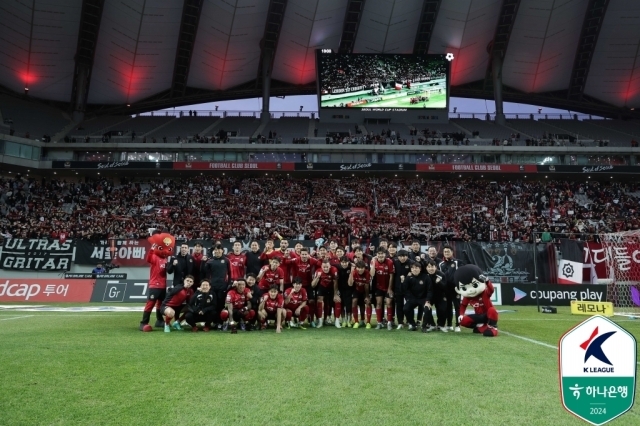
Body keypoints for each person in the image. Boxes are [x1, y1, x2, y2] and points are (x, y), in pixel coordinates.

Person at [201, 244, 231, 329]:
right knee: (213, 304)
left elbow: (230, 273)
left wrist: (228, 284)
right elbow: (204, 272)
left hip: (222, 287)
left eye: (219, 250)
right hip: (212, 287)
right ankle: (213, 322)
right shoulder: (210, 261)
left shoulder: (226, 260)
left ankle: (220, 322)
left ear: (222, 251)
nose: (217, 251)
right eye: (215, 250)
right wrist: (203, 262)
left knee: (221, 305)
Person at [439, 245, 464, 332]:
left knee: (457, 307)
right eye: (445, 252)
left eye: (448, 251)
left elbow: (462, 274)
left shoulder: (458, 262)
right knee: (447, 307)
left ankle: (458, 325)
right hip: (445, 289)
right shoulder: (441, 264)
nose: (446, 253)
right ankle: (449, 324)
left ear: (452, 252)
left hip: (456, 289)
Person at [370, 248, 395, 330]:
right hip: (378, 287)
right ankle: (379, 322)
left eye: (382, 253)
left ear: (385, 254)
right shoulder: (374, 262)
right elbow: (372, 274)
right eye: (379, 253)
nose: (380, 255)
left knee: (388, 303)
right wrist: (373, 263)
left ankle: (389, 322)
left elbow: (391, 276)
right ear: (377, 254)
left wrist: (390, 288)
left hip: (388, 287)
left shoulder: (389, 262)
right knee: (379, 303)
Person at [403, 262, 431, 331]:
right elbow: (405, 289)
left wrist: (427, 301)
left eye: (416, 268)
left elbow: (430, 290)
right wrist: (409, 299)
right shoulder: (409, 277)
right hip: (413, 299)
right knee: (405, 308)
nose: (414, 269)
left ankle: (424, 326)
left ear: (420, 269)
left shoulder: (426, 277)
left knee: (427, 309)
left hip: (423, 299)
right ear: (411, 269)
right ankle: (413, 324)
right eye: (412, 268)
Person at [311, 259, 339, 328]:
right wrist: (317, 277)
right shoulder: (318, 271)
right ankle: (320, 321)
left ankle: (336, 321)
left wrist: (335, 294)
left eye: (327, 267)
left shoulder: (334, 270)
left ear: (330, 266)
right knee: (319, 300)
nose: (325, 268)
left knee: (336, 300)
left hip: (331, 287)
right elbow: (312, 285)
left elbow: (335, 282)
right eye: (324, 267)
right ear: (321, 266)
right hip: (322, 286)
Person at [423, 260, 447, 332]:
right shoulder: (425, 275)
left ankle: (441, 325)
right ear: (426, 268)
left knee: (442, 310)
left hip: (441, 295)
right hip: (430, 296)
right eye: (429, 267)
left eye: (432, 267)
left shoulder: (441, 274)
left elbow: (445, 287)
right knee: (427, 309)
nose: (431, 269)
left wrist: (439, 282)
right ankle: (432, 324)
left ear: (436, 267)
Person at [392, 249, 412, 329]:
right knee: (399, 305)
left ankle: (410, 321)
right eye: (400, 256)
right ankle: (400, 322)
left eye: (404, 256)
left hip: (408, 289)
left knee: (409, 305)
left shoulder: (411, 263)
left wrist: (407, 278)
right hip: (398, 288)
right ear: (398, 257)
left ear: (407, 256)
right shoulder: (395, 262)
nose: (402, 258)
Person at [348, 261, 371, 328]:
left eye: (362, 268)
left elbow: (367, 286)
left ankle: (368, 322)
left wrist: (367, 296)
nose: (360, 269)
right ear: (356, 268)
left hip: (365, 290)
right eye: (358, 268)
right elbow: (350, 284)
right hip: (357, 290)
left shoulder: (367, 273)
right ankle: (356, 322)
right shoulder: (354, 272)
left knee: (367, 302)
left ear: (364, 268)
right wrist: (351, 273)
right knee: (354, 301)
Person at [335, 256, 352, 327]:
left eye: (346, 262)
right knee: (341, 305)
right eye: (343, 262)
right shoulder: (337, 268)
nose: (344, 264)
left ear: (348, 262)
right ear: (340, 263)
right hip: (340, 289)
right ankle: (343, 319)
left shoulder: (350, 267)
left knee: (348, 305)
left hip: (349, 289)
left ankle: (349, 320)